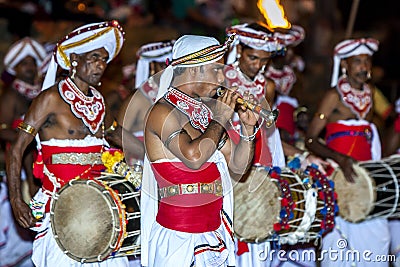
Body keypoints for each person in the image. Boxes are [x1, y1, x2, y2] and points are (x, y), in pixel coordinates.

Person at [6, 20, 143, 267]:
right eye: (94, 58)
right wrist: (17, 200)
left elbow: (118, 135)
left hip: (99, 206)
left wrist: (159, 153)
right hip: (59, 206)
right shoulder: (49, 99)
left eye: (103, 59)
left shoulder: (99, 103)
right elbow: (17, 150)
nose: (100, 65)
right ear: (75, 60)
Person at [140, 34, 258, 266]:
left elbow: (238, 168)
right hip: (178, 240)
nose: (222, 77)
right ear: (195, 70)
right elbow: (194, 157)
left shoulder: (205, 117)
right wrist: (223, 116)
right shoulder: (162, 112)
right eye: (216, 70)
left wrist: (248, 128)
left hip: (212, 234)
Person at [225, 22, 328, 267]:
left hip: (261, 160)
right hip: (232, 160)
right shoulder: (220, 80)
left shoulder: (268, 87)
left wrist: (302, 156)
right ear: (239, 51)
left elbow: (268, 133)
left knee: (259, 231)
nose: (257, 65)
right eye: (252, 57)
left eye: (263, 60)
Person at [305, 38, 391, 266]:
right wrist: (340, 159)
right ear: (344, 65)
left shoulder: (371, 93)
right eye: (357, 62)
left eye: (367, 61)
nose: (364, 67)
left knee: (379, 238)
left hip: (364, 177)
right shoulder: (333, 96)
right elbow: (311, 139)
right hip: (337, 176)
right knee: (338, 243)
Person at [0, 37, 47, 267]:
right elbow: (2, 130)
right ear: (15, 68)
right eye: (24, 63)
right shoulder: (12, 96)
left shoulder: (41, 95)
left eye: (32, 62)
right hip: (18, 163)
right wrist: (26, 138)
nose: (29, 67)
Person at [117, 40, 175, 165]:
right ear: (153, 67)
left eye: (174, 67)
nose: (170, 72)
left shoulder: (180, 98)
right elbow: (117, 136)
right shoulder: (138, 98)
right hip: (140, 169)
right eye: (164, 66)